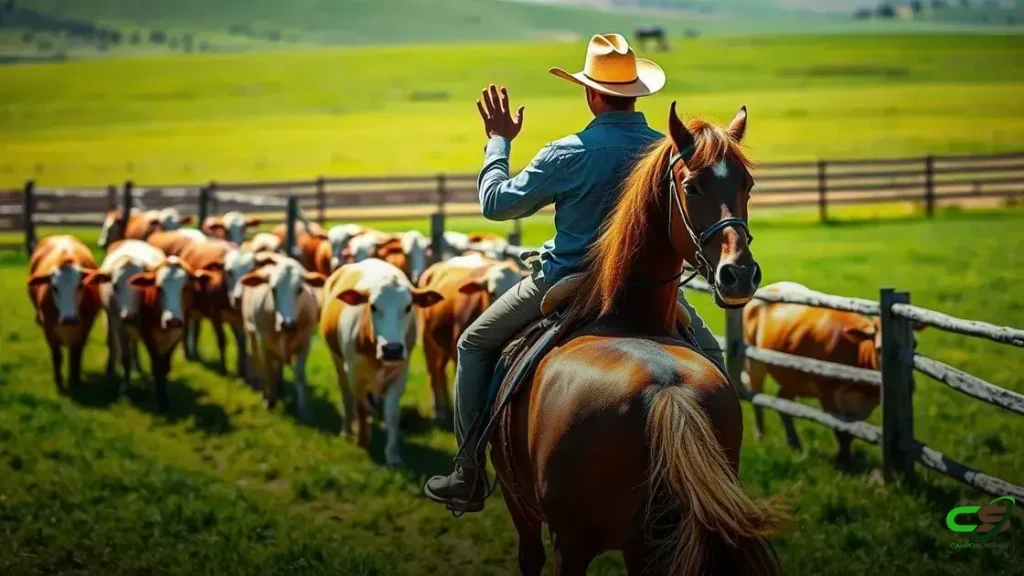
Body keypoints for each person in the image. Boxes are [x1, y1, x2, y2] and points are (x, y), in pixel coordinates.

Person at [423, 33, 724, 513]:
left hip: (565, 282)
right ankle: (724, 470)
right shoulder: (666, 152)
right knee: (711, 361)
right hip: (645, 289)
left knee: (473, 345)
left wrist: (498, 141)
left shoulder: (567, 152)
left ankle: (467, 472)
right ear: (636, 93)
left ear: (590, 92)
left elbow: (496, 204)